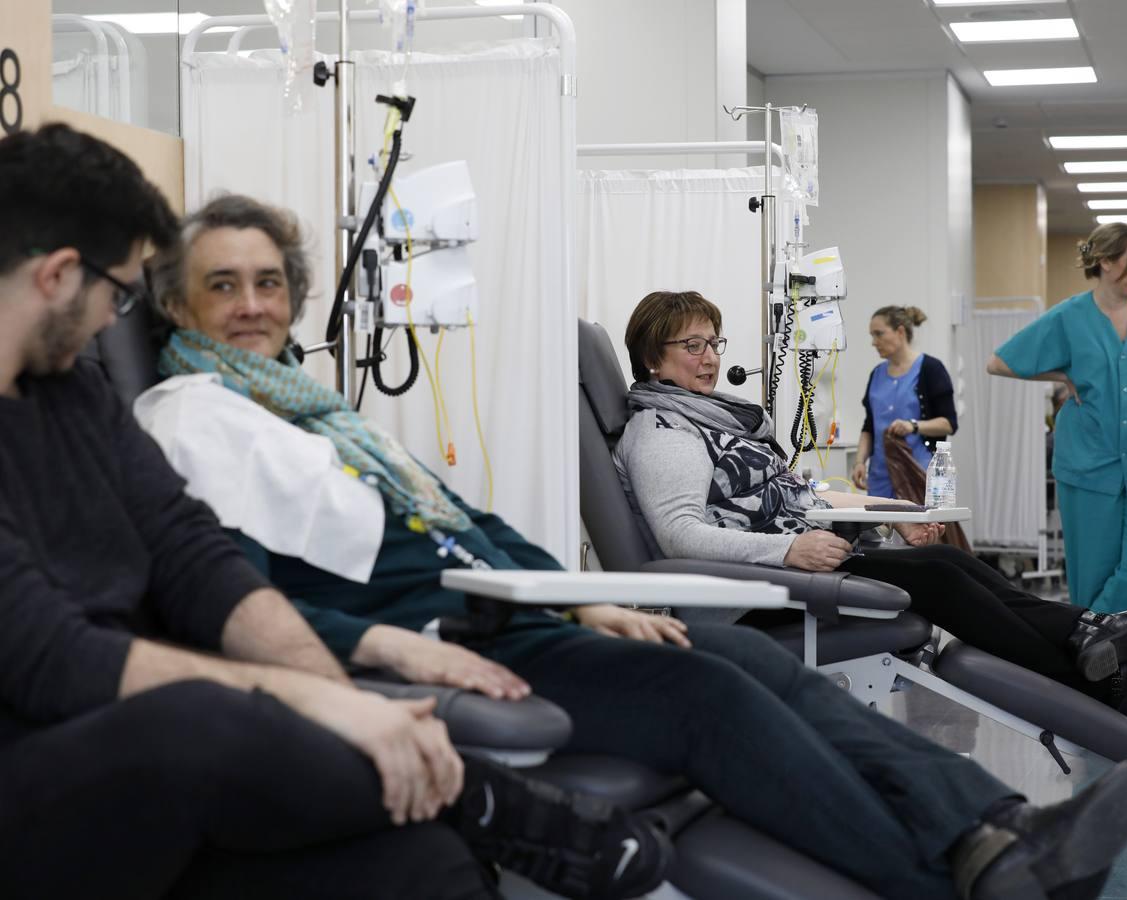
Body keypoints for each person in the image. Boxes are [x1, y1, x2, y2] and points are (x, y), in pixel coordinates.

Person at [139, 193, 1127, 900]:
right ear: (177, 306)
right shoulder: (188, 419)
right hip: (445, 646)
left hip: (509, 614)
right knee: (706, 698)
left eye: (269, 282)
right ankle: (944, 880)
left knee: (753, 661)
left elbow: (473, 528)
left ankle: (997, 834)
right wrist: (394, 651)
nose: (253, 305)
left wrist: (583, 598)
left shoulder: (318, 414)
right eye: (222, 286)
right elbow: (222, 598)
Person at [0, 124, 667, 900]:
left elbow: (193, 557)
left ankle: (456, 815)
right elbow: (51, 659)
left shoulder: (71, 396)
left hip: (154, 767)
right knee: (199, 716)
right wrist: (312, 704)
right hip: (39, 766)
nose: (112, 323)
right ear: (55, 275)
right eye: (117, 296)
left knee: (423, 866)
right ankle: (478, 799)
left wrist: (348, 706)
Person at [614, 290, 1127, 714]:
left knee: (951, 562)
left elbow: (795, 495)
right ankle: (1090, 671)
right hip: (749, 593)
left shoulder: (717, 417)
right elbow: (678, 535)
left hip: (791, 563)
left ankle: (1091, 639)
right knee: (941, 581)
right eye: (692, 345)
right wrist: (788, 552)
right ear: (652, 358)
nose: (710, 356)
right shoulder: (663, 428)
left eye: (714, 341)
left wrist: (888, 518)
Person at [988, 224, 1127, 614]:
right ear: (1105, 261)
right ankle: (1099, 662)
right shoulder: (1070, 316)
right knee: (1091, 579)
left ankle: (1085, 638)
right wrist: (1062, 373)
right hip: (1089, 467)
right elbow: (999, 362)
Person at [852, 305, 955, 496]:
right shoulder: (877, 374)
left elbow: (948, 423)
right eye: (872, 336)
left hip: (920, 474)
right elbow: (869, 426)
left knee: (924, 526)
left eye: (879, 334)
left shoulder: (931, 369)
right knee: (880, 526)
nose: (874, 342)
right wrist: (859, 461)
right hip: (881, 477)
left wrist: (913, 426)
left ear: (900, 332)